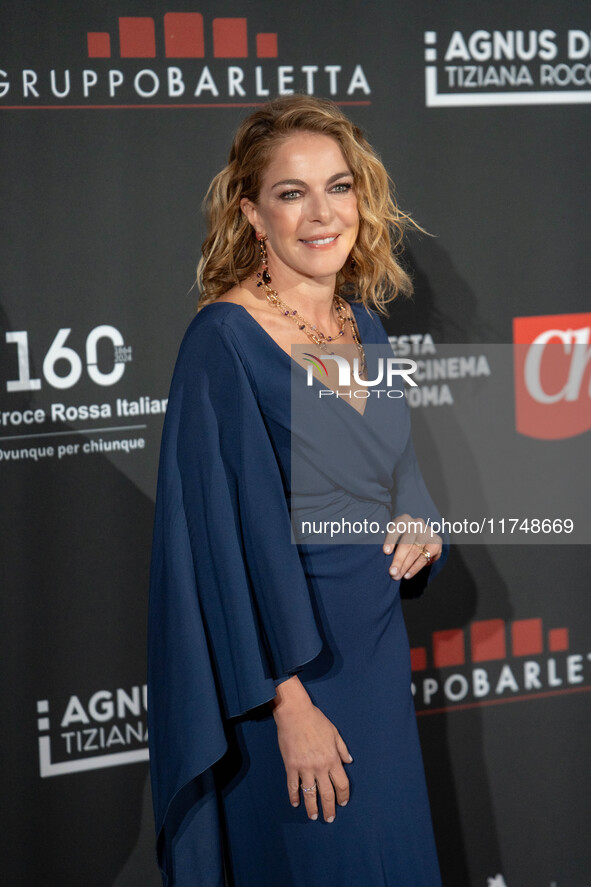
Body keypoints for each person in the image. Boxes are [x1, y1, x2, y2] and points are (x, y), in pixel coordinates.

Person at [148, 94, 447, 887]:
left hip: (374, 653)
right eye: (291, 193)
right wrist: (289, 706)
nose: (322, 213)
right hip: (291, 674)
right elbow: (223, 546)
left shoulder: (363, 326)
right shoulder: (225, 339)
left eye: (338, 187)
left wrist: (420, 523)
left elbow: (391, 478)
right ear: (252, 213)